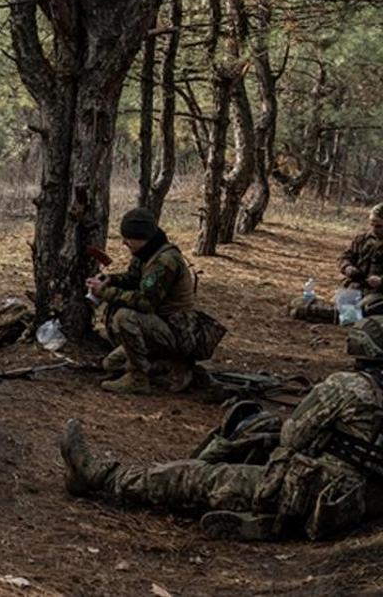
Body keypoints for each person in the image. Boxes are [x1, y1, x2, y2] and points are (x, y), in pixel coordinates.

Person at [59, 316, 383, 541]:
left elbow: (293, 437)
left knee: (197, 478)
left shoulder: (349, 386)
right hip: (356, 504)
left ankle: (100, 475)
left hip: (308, 491)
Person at [87, 207, 219, 394]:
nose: (124, 243)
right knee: (111, 364)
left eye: (128, 238)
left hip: (175, 331)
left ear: (142, 238)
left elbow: (145, 302)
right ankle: (173, 367)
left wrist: (106, 292)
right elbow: (134, 277)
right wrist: (112, 279)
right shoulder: (147, 252)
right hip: (159, 327)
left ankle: (138, 378)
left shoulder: (164, 261)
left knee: (125, 317)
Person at [339, 203, 383, 317]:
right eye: (372, 225)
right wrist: (347, 267)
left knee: (368, 311)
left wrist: (381, 281)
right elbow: (344, 257)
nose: (374, 229)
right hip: (356, 287)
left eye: (379, 226)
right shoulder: (361, 239)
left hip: (379, 293)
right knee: (344, 314)